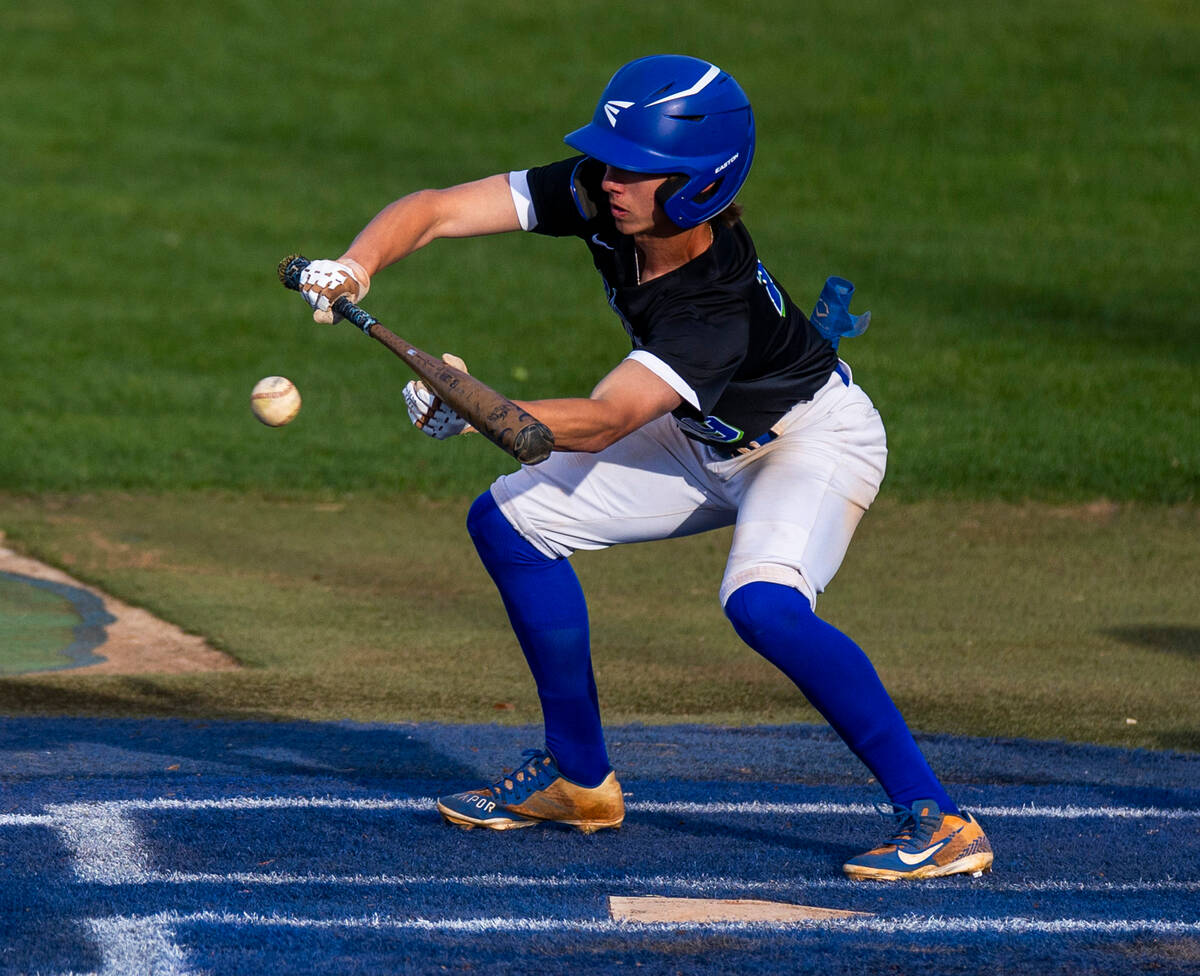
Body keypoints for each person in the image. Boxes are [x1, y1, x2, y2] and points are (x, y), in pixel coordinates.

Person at [296, 54, 993, 881]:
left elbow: (602, 421)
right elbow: (440, 210)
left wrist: (474, 403)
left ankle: (939, 819)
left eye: (638, 170)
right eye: (612, 160)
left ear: (700, 185)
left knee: (763, 606)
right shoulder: (602, 194)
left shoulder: (713, 302)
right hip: (697, 433)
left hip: (808, 443)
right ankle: (578, 777)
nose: (611, 180)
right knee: (512, 523)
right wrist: (356, 265)